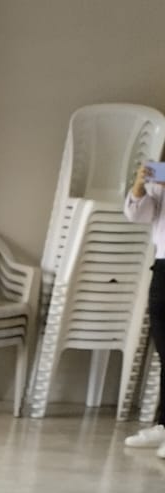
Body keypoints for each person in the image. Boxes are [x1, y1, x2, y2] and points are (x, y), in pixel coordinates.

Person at [122, 160, 165, 456]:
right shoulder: (160, 179)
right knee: (164, 349)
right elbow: (137, 214)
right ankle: (163, 425)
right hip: (163, 267)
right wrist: (140, 184)